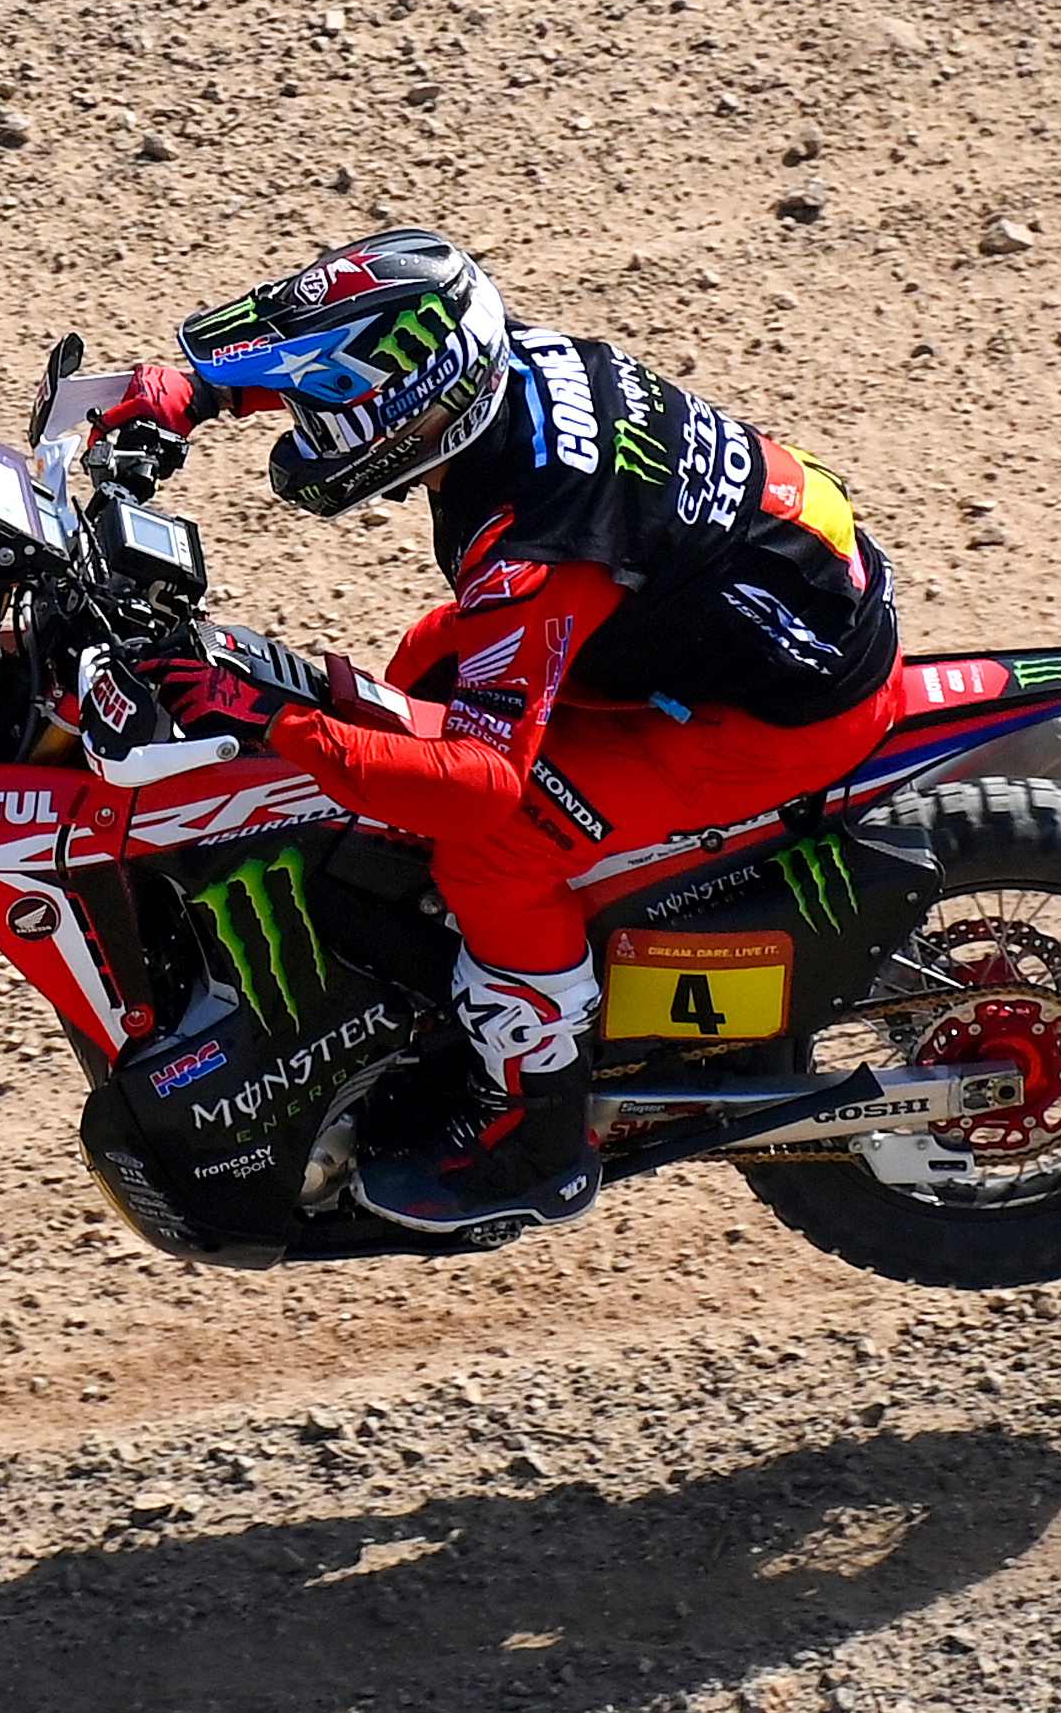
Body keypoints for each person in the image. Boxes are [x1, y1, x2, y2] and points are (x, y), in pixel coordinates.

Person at [91, 229, 901, 1234]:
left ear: (407, 415)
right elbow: (371, 360)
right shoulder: (490, 366)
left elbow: (483, 782)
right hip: (734, 612)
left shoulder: (533, 543)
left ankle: (534, 1133)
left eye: (318, 411)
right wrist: (206, 390)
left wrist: (263, 712)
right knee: (430, 660)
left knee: (493, 846)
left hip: (773, 715)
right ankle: (467, 979)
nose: (305, 428)